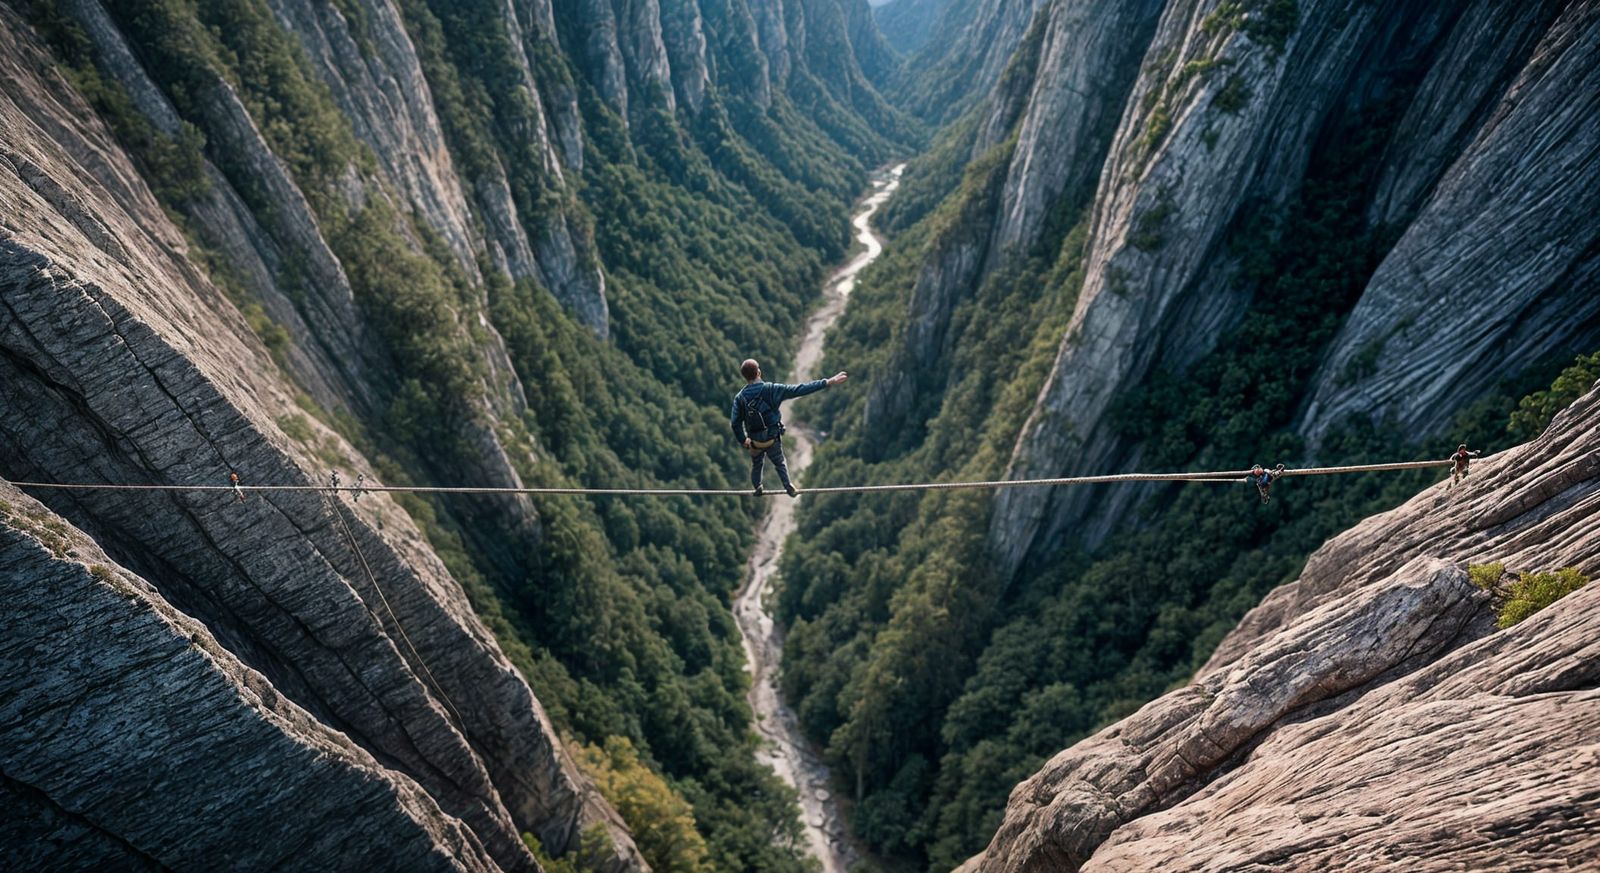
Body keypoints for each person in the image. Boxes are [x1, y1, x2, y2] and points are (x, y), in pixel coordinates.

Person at [731, 358, 848, 497]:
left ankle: (757, 487)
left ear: (744, 376)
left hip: (755, 442)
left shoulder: (740, 398)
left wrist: (743, 440)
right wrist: (827, 382)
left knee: (757, 464)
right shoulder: (772, 389)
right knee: (779, 462)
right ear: (759, 373)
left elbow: (735, 423)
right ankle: (788, 486)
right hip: (772, 438)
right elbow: (800, 389)